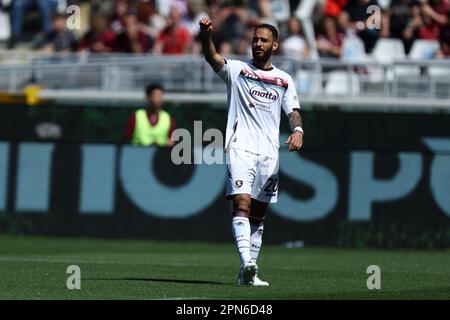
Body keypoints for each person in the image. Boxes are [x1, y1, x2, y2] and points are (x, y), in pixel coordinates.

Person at [199, 18, 304, 286]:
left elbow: (292, 112)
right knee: (242, 203)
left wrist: (298, 131)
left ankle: (249, 274)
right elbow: (212, 57)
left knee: (258, 214)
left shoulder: (284, 80)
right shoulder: (237, 70)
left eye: (263, 40)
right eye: (254, 39)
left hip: (269, 154)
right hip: (240, 148)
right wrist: (206, 35)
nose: (257, 43)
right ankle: (247, 263)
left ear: (275, 45)